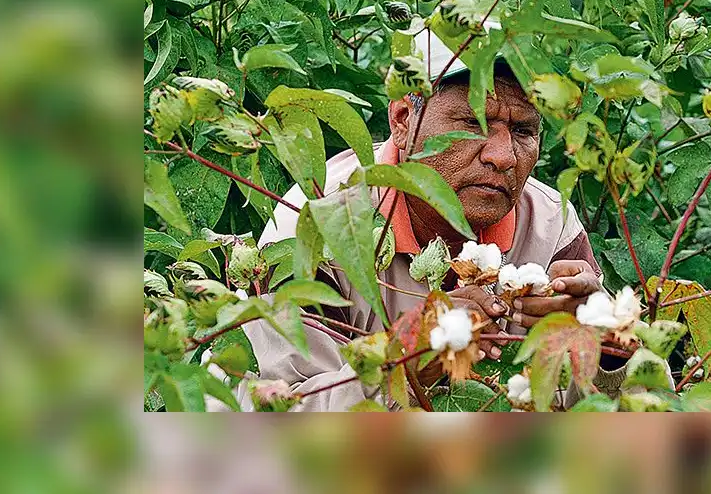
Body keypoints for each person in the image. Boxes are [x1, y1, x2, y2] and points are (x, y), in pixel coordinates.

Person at [223, 27, 631, 412]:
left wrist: (604, 342)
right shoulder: (318, 221)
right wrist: (404, 364)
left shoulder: (549, 223)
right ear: (403, 121)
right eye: (474, 123)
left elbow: (627, 406)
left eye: (523, 130)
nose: (503, 156)